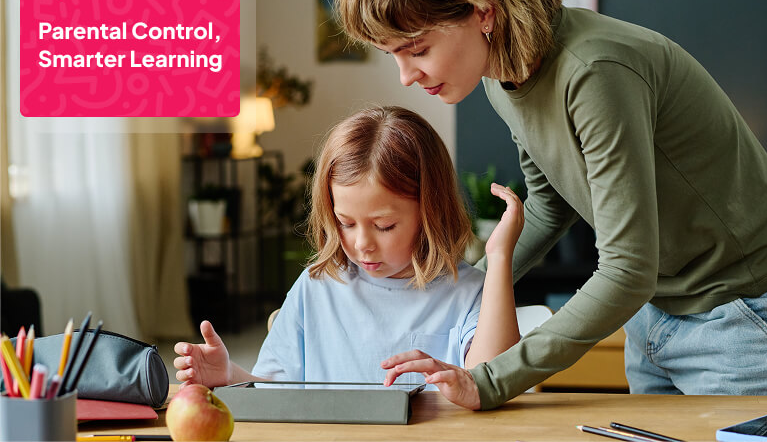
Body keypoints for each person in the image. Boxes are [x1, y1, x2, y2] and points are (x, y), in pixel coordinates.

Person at [336, 0, 767, 410]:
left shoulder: (594, 73)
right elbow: (549, 206)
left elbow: (628, 268)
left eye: (416, 50)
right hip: (657, 304)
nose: (405, 76)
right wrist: (458, 288)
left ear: (482, 12)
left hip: (742, 306)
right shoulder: (500, 73)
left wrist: (492, 379)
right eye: (391, 55)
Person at [173, 106, 524, 397]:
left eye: (384, 225)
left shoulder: (470, 291)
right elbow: (276, 394)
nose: (362, 244)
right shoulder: (316, 286)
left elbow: (491, 385)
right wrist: (230, 376)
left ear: (430, 211)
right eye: (345, 223)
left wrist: (499, 258)